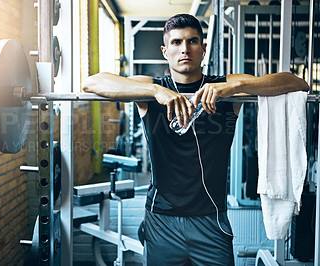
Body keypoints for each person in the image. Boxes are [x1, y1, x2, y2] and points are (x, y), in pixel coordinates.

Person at [82, 14, 309, 266]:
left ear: (203, 49)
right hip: (162, 219)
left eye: (192, 41)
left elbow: (296, 82)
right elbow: (91, 83)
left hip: (211, 219)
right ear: (165, 51)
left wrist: (232, 88)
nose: (185, 49)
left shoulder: (224, 88)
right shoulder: (150, 89)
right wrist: (157, 91)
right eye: (177, 42)